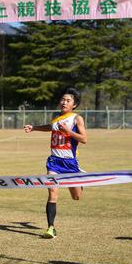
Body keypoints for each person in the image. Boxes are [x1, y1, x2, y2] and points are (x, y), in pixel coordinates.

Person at [23, 87, 88, 239]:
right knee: (52, 192)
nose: (64, 102)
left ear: (74, 105)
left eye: (68, 100)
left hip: (70, 163)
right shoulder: (56, 117)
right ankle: (51, 228)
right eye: (62, 99)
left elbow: (84, 139)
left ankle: (80, 180)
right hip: (54, 162)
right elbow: (49, 127)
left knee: (76, 197)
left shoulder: (77, 118)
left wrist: (68, 131)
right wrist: (34, 128)